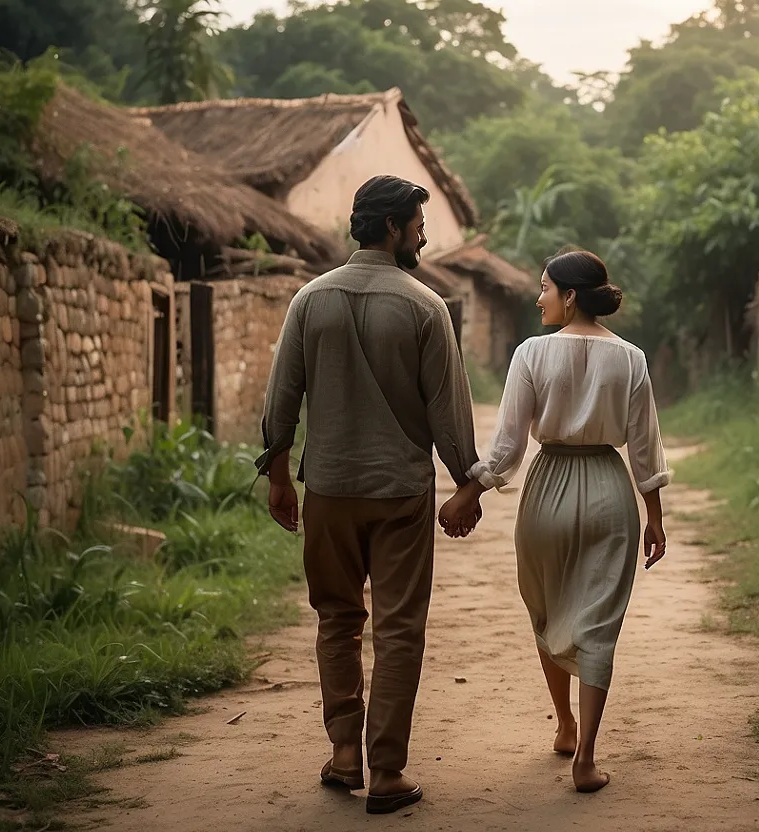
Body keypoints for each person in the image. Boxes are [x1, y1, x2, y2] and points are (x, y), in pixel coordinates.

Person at [256, 174, 482, 815]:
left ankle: (344, 754)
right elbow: (449, 413)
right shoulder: (424, 306)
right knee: (399, 630)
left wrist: (278, 475)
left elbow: (282, 398)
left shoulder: (309, 300)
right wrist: (467, 482)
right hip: (399, 495)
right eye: (416, 222)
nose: (423, 233)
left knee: (337, 619)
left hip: (327, 487)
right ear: (392, 227)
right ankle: (385, 772)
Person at [438, 249, 670, 794]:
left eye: (544, 288)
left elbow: (509, 445)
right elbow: (645, 446)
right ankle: (586, 756)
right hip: (610, 493)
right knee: (598, 623)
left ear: (569, 296)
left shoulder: (531, 353)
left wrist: (467, 492)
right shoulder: (632, 358)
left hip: (548, 490)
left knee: (547, 607)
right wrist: (653, 517)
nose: (537, 297)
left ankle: (564, 724)